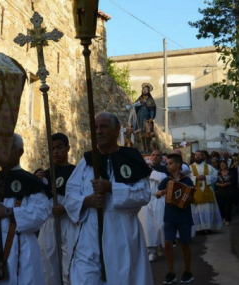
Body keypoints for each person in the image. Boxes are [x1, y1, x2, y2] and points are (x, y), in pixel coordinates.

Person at [64, 112, 153, 285]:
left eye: (103, 127)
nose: (98, 131)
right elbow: (70, 195)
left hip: (121, 230)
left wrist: (112, 188)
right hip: (90, 231)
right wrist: (87, 201)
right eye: (95, 128)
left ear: (116, 130)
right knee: (85, 278)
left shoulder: (131, 158)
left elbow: (143, 193)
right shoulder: (86, 162)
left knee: (122, 278)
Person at [0, 134, 49, 285]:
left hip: (22, 246)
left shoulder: (31, 182)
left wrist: (8, 212)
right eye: (3, 147)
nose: (5, 151)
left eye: (10, 147)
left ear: (20, 152)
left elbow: (40, 213)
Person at [38, 133, 76, 285]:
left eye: (59, 147)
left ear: (68, 148)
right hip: (49, 226)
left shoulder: (76, 172)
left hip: (68, 223)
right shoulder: (45, 175)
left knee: (69, 265)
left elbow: (80, 197)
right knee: (50, 268)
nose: (56, 152)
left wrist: (66, 209)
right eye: (52, 148)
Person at [156, 153, 195, 284]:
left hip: (184, 216)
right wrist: (162, 192)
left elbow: (192, 198)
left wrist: (188, 198)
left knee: (184, 244)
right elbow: (156, 193)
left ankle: (188, 271)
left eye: (170, 163)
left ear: (178, 165)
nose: (168, 165)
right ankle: (171, 272)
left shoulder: (187, 181)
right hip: (170, 216)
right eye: (167, 164)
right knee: (167, 243)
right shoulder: (166, 181)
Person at [190, 151, 222, 234]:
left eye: (199, 155)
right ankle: (199, 229)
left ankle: (208, 227)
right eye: (196, 155)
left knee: (209, 208)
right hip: (195, 191)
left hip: (207, 190)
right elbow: (187, 178)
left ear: (202, 156)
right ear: (194, 157)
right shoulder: (190, 167)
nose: (197, 157)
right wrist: (195, 178)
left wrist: (205, 177)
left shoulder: (208, 167)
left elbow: (215, 175)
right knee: (197, 209)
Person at [134, 83, 157, 152]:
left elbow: (152, 109)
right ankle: (142, 148)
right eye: (143, 89)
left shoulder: (150, 100)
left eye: (146, 89)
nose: (144, 90)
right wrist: (134, 105)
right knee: (140, 133)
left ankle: (148, 148)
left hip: (146, 119)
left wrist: (151, 118)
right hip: (139, 118)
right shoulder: (139, 99)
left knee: (147, 133)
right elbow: (135, 107)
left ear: (148, 91)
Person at [215, 160, 238, 226]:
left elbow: (234, 181)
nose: (222, 165)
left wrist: (227, 183)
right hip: (220, 192)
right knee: (221, 206)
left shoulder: (230, 173)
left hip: (229, 192)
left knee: (228, 206)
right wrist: (220, 185)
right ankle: (223, 217)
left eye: (223, 164)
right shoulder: (218, 174)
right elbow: (215, 182)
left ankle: (228, 219)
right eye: (221, 164)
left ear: (226, 165)